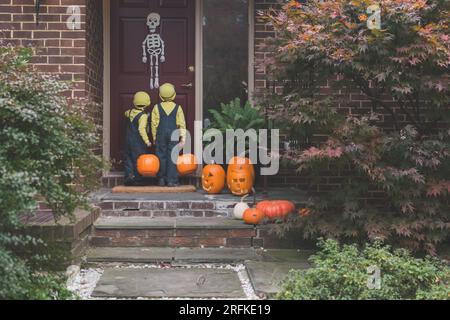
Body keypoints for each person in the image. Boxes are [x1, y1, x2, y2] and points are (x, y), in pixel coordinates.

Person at [151, 83, 186, 187]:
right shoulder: (178, 108)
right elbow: (182, 124)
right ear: (174, 95)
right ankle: (172, 180)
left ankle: (161, 179)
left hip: (160, 134)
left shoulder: (156, 108)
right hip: (174, 134)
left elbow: (154, 124)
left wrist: (154, 137)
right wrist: (183, 138)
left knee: (161, 155)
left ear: (160, 96)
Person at [124, 91, 152, 186]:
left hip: (128, 141)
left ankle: (129, 177)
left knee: (128, 158)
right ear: (147, 103)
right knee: (138, 159)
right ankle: (137, 179)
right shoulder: (143, 116)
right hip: (138, 142)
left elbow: (125, 113)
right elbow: (141, 129)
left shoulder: (130, 112)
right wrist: (147, 141)